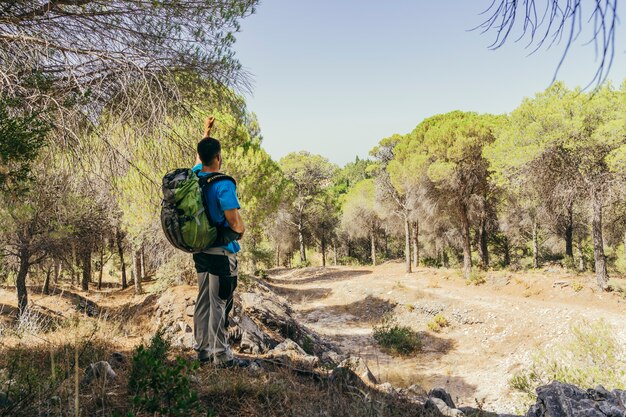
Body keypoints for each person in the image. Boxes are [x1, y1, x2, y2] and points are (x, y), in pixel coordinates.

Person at [191, 118, 247, 367]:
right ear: (219, 157)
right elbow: (234, 222)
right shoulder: (223, 184)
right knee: (220, 302)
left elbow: (199, 157)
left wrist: (206, 132)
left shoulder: (194, 176)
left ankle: (202, 351)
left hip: (200, 250)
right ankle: (221, 356)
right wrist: (241, 231)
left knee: (203, 299)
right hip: (222, 253)